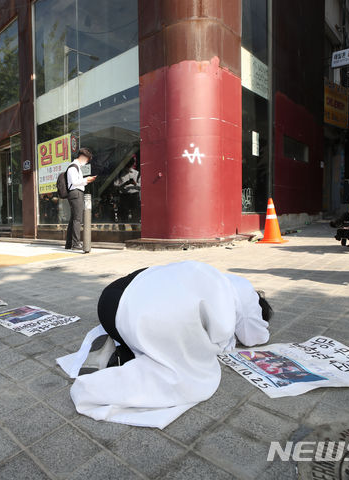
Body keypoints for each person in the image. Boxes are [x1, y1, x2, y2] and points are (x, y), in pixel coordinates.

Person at [56, 261, 272, 429]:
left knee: (169, 326)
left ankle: (120, 345)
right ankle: (126, 349)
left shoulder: (206, 274)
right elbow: (255, 335)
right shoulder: (245, 290)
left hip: (110, 299)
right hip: (128, 320)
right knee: (179, 354)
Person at [65, 148, 97, 251]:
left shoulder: (75, 167)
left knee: (74, 219)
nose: (86, 162)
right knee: (77, 219)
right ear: (82, 157)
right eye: (87, 160)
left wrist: (86, 180)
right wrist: (86, 180)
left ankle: (69, 244)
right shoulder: (73, 167)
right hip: (76, 193)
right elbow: (74, 182)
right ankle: (76, 244)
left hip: (76, 193)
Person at [113, 156, 141, 223]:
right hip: (124, 196)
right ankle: (124, 228)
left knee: (135, 214)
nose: (128, 166)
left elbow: (142, 186)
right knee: (123, 214)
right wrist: (125, 184)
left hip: (134, 195)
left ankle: (135, 229)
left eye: (129, 164)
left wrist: (135, 184)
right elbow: (115, 184)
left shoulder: (136, 173)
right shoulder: (120, 173)